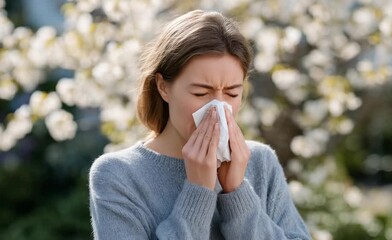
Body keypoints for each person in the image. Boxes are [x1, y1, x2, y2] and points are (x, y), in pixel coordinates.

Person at [89, 9, 311, 240]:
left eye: (232, 94)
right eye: (201, 93)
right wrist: (198, 192)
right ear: (163, 87)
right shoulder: (118, 175)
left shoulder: (260, 162)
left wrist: (237, 192)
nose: (217, 109)